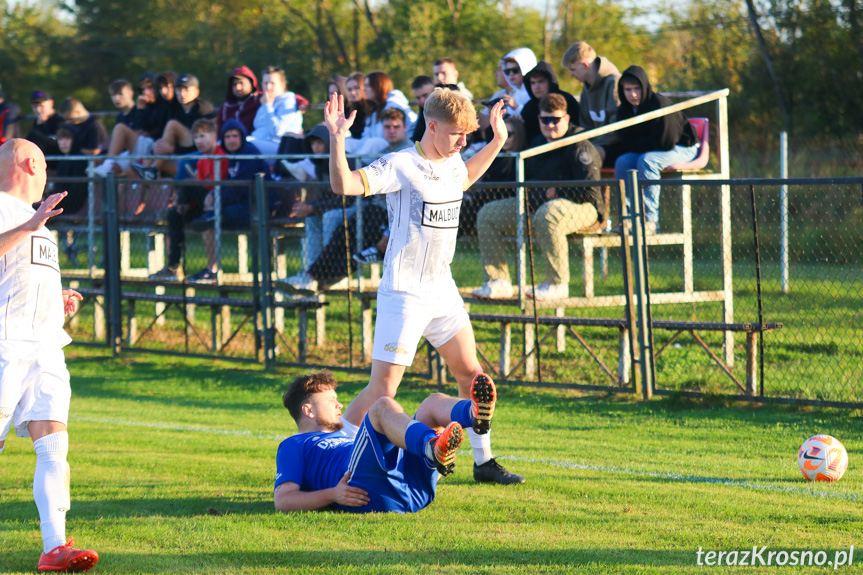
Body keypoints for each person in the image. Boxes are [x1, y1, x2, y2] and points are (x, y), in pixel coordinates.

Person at [323, 87, 525, 484]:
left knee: (473, 377)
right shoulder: (402, 163)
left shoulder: (453, 162)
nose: (464, 143)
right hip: (404, 293)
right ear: (432, 126)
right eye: (457, 135)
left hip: (442, 290)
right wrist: (336, 138)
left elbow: (464, 176)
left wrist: (498, 140)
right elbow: (343, 185)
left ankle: (483, 462)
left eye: (469, 135)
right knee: (383, 390)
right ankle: (331, 454)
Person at [0, 139, 98, 572]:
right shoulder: (6, 209)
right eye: (42, 165)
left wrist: (55, 302)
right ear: (30, 163)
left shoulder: (35, 220)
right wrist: (31, 224)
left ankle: (55, 546)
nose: (45, 174)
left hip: (45, 346)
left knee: (54, 442)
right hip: (5, 344)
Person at [274, 370, 498, 513]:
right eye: (331, 400)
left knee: (432, 403)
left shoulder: (343, 433)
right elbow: (283, 501)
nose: (339, 405)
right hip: (369, 492)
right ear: (308, 411)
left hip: (414, 490)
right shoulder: (294, 444)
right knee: (381, 406)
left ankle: (474, 415)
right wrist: (332, 494)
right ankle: (430, 447)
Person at [473, 93, 603, 301]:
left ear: (567, 119)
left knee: (548, 214)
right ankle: (498, 282)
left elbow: (589, 190)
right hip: (540, 206)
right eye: (545, 120)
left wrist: (557, 192)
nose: (550, 125)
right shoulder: (536, 144)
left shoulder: (580, 145)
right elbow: (526, 184)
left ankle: (556, 284)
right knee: (488, 214)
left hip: (585, 209)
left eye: (555, 120)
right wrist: (544, 193)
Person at [605, 66, 699, 233]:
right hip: (652, 150)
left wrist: (637, 143)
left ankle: (650, 221)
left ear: (645, 87)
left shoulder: (659, 104)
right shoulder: (624, 111)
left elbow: (666, 142)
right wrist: (638, 144)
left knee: (648, 161)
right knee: (622, 161)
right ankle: (628, 219)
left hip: (684, 147)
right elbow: (625, 140)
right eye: (628, 89)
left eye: (637, 89)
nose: (633, 94)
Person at [184, 119, 270, 284]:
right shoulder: (233, 156)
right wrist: (214, 196)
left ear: (242, 137)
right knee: (207, 221)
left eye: (235, 136)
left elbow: (239, 188)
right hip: (238, 205)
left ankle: (212, 270)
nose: (231, 140)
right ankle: (211, 269)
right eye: (228, 136)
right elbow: (227, 187)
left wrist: (216, 198)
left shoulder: (248, 154)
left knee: (210, 220)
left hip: (255, 208)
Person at [148, 119, 227, 282]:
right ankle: (173, 267)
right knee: (173, 216)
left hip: (220, 203)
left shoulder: (222, 157)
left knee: (187, 185)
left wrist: (200, 196)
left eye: (203, 136)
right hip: (204, 204)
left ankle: (212, 269)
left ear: (214, 136)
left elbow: (222, 186)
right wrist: (187, 205)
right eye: (196, 137)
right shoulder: (201, 161)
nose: (199, 141)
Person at [561, 41, 622, 163]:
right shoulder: (586, 88)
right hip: (596, 144)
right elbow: (585, 125)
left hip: (616, 145)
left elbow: (616, 127)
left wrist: (590, 146)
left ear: (585, 64)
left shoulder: (614, 82)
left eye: (572, 69)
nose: (571, 74)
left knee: (585, 157)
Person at [148, 74, 216, 178]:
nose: (182, 94)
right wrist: (159, 145)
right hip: (181, 157)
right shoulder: (176, 109)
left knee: (172, 124)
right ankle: (149, 172)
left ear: (196, 92)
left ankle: (152, 170)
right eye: (179, 90)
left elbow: (204, 143)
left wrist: (173, 150)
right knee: (152, 158)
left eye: (186, 90)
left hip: (199, 158)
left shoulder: (203, 108)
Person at [247, 66, 305, 157]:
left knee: (242, 145)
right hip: (260, 144)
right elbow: (258, 127)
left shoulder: (288, 102)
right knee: (227, 144)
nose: (268, 87)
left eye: (272, 83)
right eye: (265, 83)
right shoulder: (266, 101)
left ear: (282, 85)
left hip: (279, 149)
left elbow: (277, 131)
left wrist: (267, 106)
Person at [520, 61, 581, 143]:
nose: (536, 87)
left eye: (541, 81)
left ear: (550, 82)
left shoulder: (567, 100)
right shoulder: (528, 109)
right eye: (533, 83)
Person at [216, 66, 262, 135]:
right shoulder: (225, 108)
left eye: (241, 83)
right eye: (234, 84)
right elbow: (219, 133)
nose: (238, 87)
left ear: (251, 83)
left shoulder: (260, 101)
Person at [25, 91, 63, 160]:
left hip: (56, 164)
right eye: (35, 107)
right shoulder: (37, 121)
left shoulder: (60, 120)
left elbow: (56, 145)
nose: (38, 110)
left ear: (51, 103)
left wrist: (42, 126)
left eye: (41, 106)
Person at [501, 47, 538, 116]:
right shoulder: (516, 94)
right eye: (507, 71)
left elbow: (535, 118)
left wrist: (516, 107)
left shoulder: (535, 92)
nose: (511, 74)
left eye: (515, 70)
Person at [409, 75, 435, 142]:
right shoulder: (422, 112)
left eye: (425, 95)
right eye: (418, 98)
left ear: (434, 90)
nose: (422, 101)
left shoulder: (447, 109)